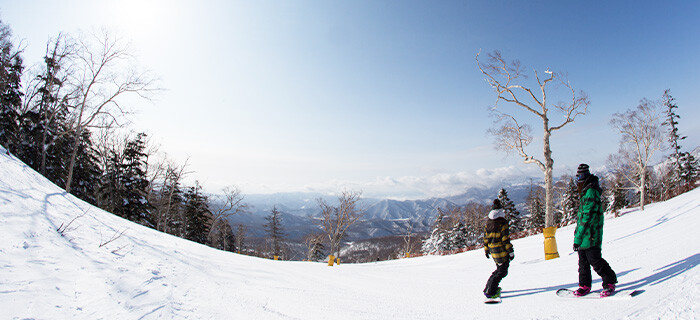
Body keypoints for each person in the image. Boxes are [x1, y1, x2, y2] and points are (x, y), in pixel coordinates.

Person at [573, 163, 618, 297]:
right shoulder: (586, 191)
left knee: (595, 260)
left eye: (579, 177)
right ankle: (584, 285)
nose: (578, 181)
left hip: (591, 234)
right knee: (583, 262)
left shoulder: (591, 191)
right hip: (584, 235)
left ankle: (609, 281)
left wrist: (578, 238)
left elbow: (587, 217)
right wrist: (577, 236)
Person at [483, 199, 514, 299]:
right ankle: (490, 291)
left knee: (499, 269)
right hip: (501, 251)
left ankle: (489, 287)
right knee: (502, 271)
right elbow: (505, 239)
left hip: (493, 251)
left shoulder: (488, 223)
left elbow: (485, 238)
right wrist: (510, 251)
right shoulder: (502, 223)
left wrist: (486, 250)